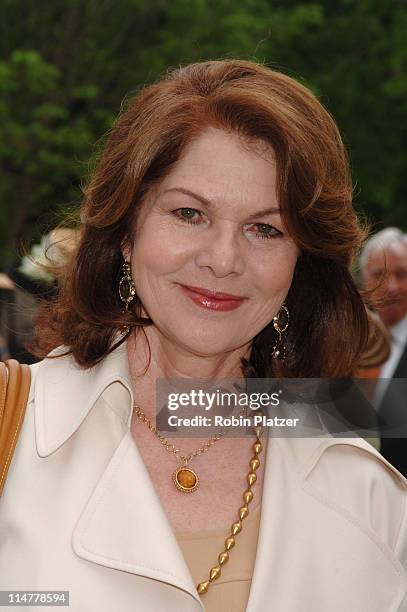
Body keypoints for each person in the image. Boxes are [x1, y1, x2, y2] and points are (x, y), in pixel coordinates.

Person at [1, 60, 406, 612]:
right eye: (189, 213)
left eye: (266, 228)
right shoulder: (13, 429)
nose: (222, 259)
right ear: (125, 231)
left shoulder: (367, 491)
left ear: (300, 263)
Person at [360, 228, 407, 477]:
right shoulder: (348, 343)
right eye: (379, 275)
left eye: (402, 274)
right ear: (364, 281)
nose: (391, 287)